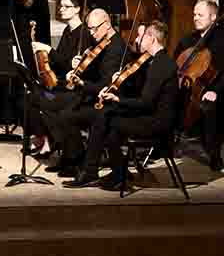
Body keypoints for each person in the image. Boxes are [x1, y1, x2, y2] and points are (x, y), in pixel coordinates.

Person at [63, 20, 178, 189]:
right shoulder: (152, 61)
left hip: (156, 121)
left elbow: (146, 102)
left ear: (152, 39)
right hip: (149, 113)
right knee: (104, 115)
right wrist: (121, 82)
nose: (136, 40)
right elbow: (141, 89)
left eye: (140, 36)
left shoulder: (162, 65)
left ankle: (110, 173)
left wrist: (118, 100)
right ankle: (112, 172)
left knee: (107, 121)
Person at [42, 7, 125, 176]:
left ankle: (75, 160)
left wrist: (81, 82)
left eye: (95, 28)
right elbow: (93, 72)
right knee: (47, 103)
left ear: (107, 25)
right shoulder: (100, 43)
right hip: (89, 93)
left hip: (104, 101)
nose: (92, 33)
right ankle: (70, 157)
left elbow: (105, 85)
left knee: (66, 114)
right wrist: (78, 66)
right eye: (89, 28)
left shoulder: (116, 49)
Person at [27, 0, 84, 156]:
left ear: (77, 9)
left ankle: (55, 142)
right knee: (29, 96)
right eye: (61, 6)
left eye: (66, 6)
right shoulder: (67, 31)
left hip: (72, 88)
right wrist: (41, 58)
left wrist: (48, 50)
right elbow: (60, 63)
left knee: (44, 101)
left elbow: (68, 64)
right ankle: (45, 137)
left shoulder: (83, 34)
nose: (61, 9)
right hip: (60, 81)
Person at [174, 0, 223, 172]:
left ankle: (214, 154)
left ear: (213, 17)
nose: (195, 18)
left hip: (216, 89)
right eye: (194, 14)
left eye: (200, 15)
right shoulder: (188, 40)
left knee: (209, 107)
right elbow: (176, 66)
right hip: (190, 87)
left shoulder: (221, 40)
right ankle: (165, 145)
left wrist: (215, 91)